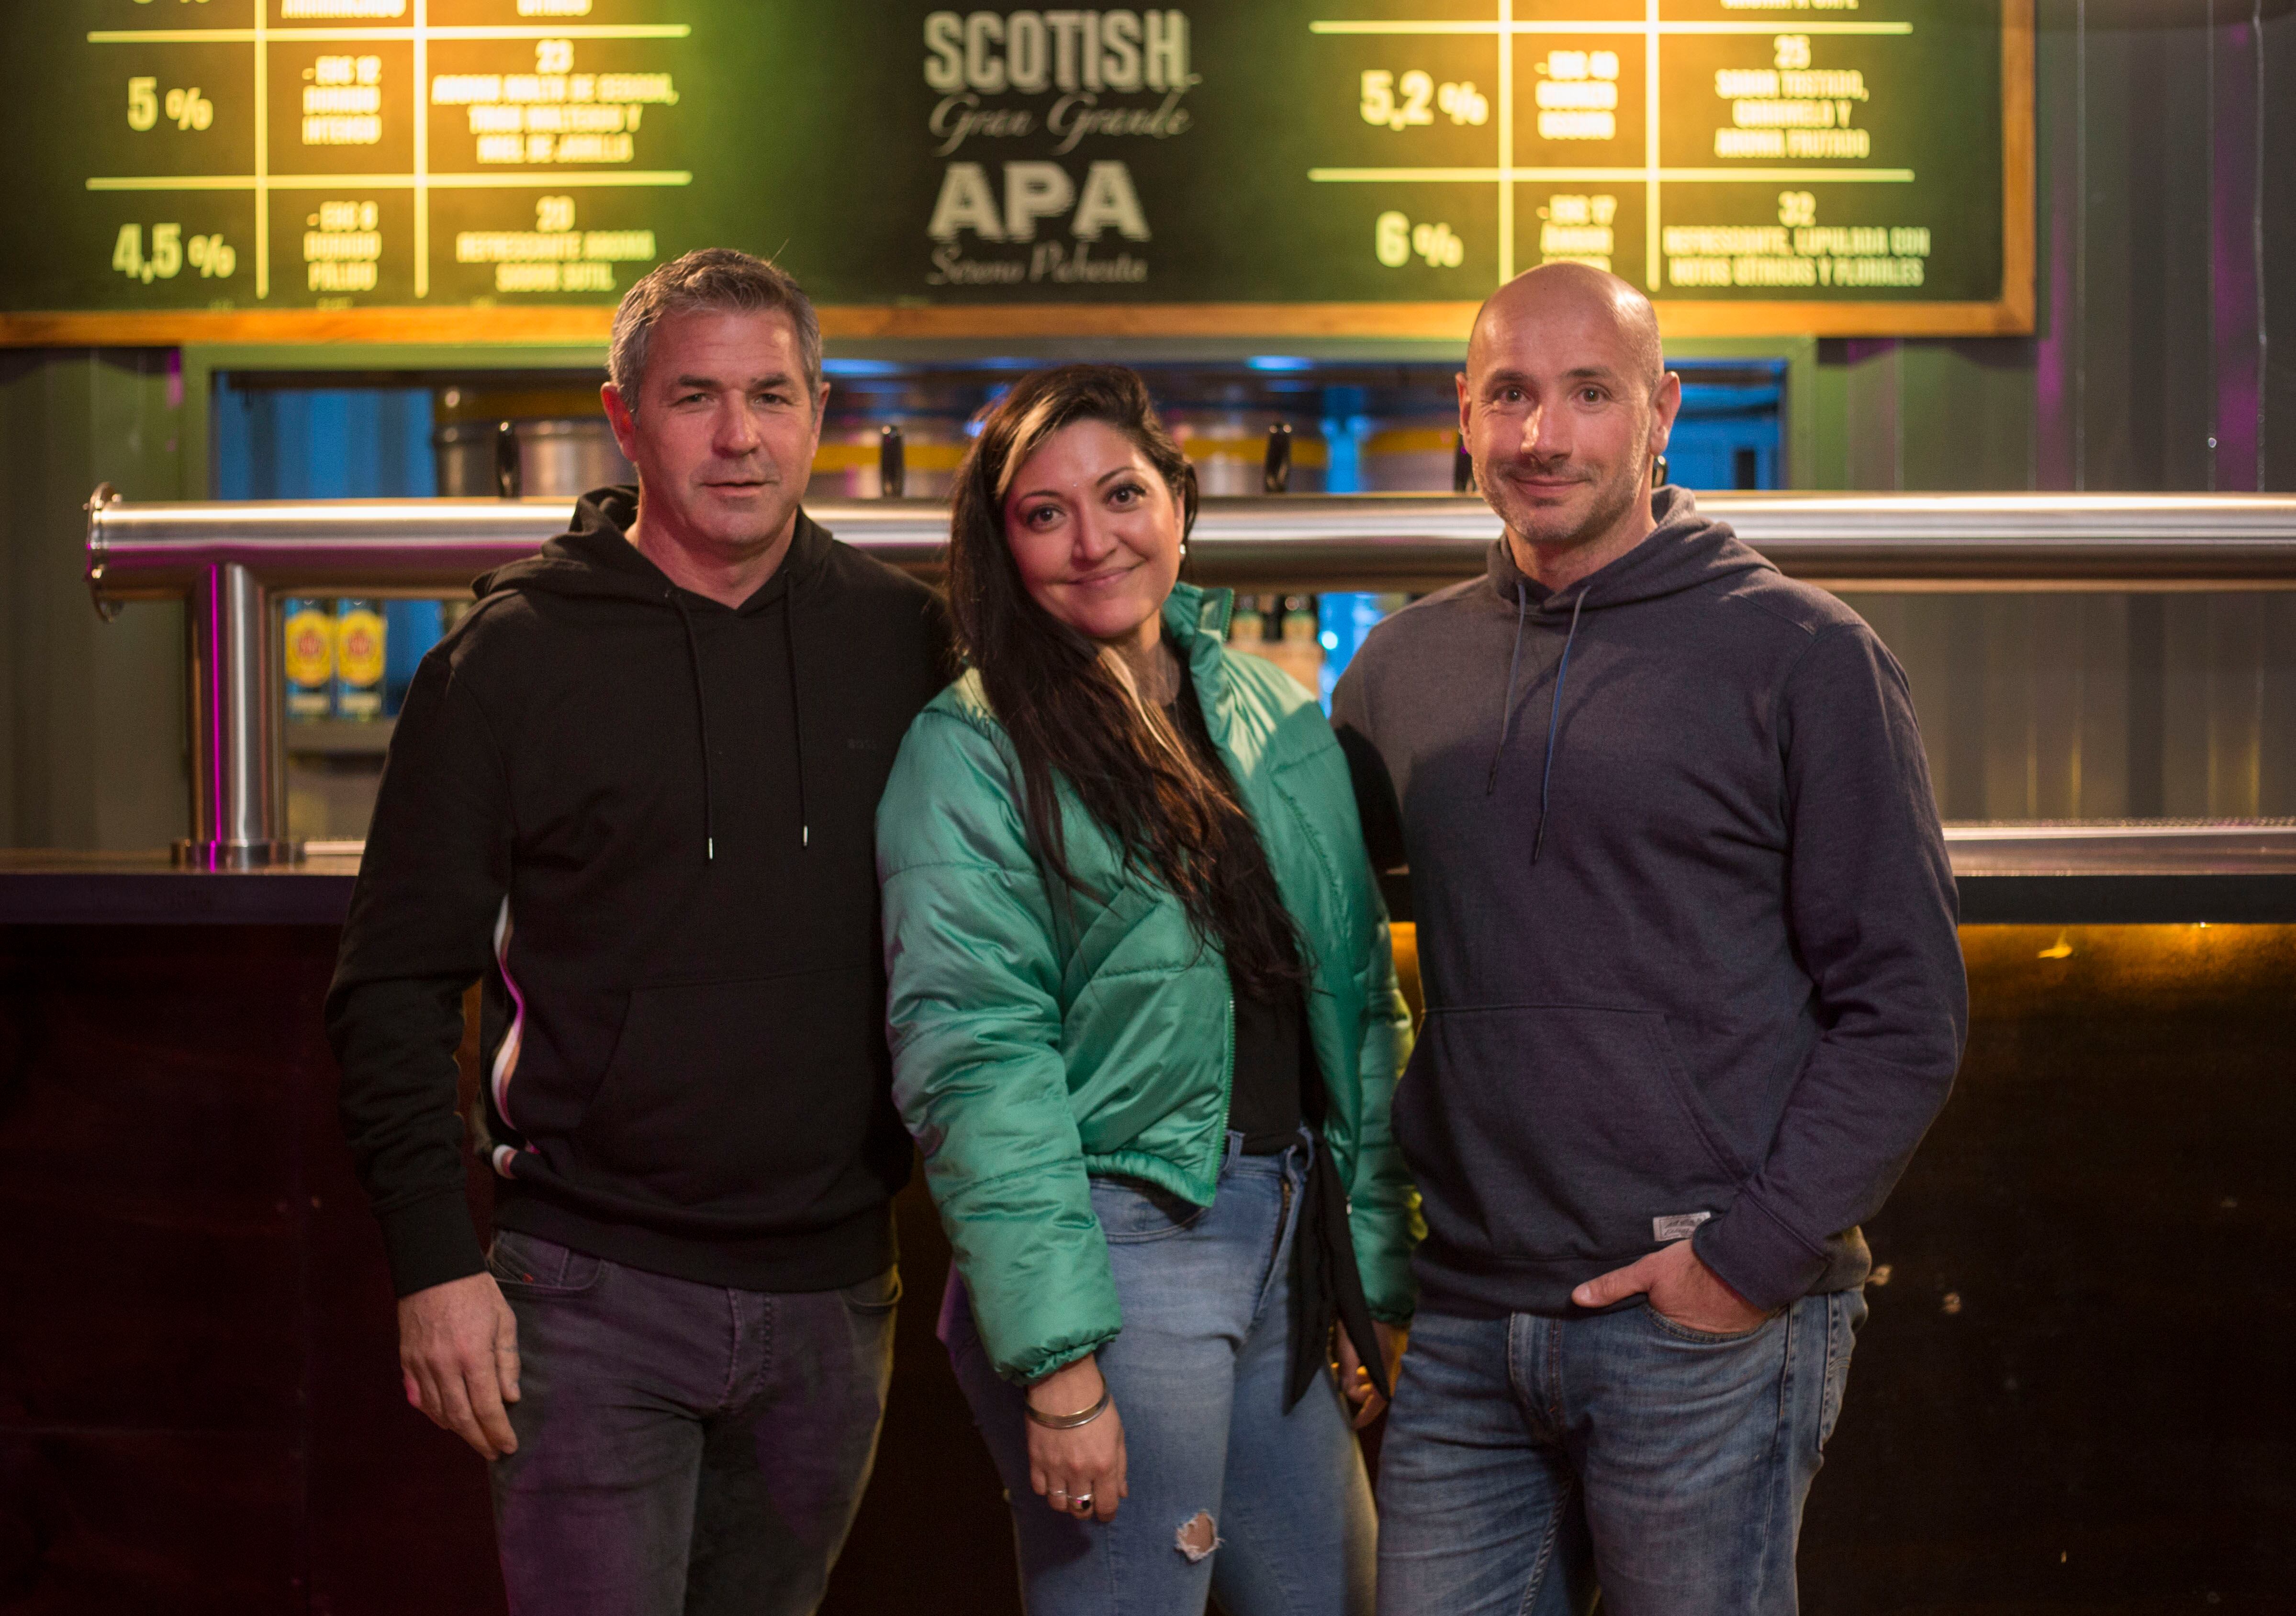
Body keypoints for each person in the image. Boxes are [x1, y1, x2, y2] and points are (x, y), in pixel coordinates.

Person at [1332, 263, 1967, 1615]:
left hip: (1707, 1316)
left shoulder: (1805, 653)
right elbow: (1301, 930)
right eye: (1508, 394)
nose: (1541, 436)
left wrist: (1743, 1262)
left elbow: (1906, 1008)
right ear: (1464, 414)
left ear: (1663, 410)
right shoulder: (1398, 671)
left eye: (1589, 395)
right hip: (1466, 1315)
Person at [326, 249, 952, 1615]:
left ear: (820, 410)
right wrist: (436, 1260)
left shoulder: (907, 643)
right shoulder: (509, 659)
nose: (740, 437)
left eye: (771, 396)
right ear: (623, 417)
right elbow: (390, 988)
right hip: (587, 1293)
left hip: (836, 1298)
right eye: (695, 398)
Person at [875, 364, 1418, 1616]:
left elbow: (1351, 1003)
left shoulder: (1272, 715)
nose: (1092, 538)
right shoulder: (969, 749)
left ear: (1179, 503)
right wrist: (1060, 1367)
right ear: (999, 545)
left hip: (1286, 1237)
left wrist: (1362, 1273)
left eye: (1122, 493)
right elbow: (974, 1065)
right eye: (1043, 513)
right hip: (1116, 1246)